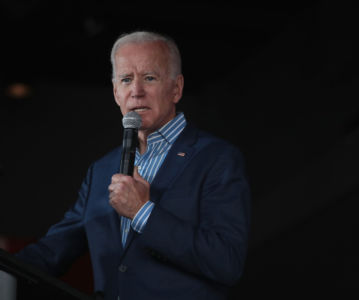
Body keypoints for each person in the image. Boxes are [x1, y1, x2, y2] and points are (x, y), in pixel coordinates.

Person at [16, 30, 251, 300]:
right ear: (116, 92)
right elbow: (51, 252)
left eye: (149, 78)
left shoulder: (216, 158)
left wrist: (142, 212)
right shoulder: (101, 171)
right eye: (127, 79)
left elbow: (226, 261)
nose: (137, 91)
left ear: (177, 88)